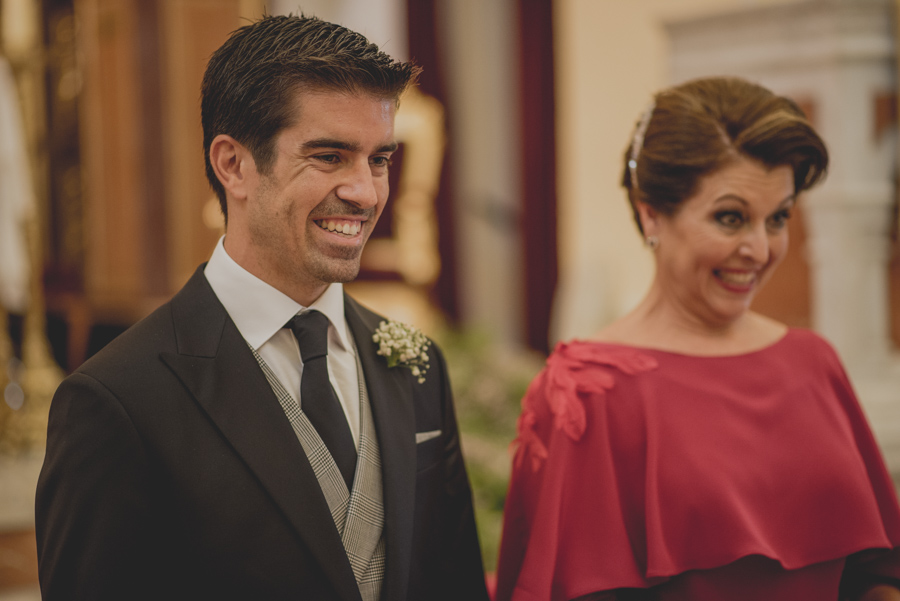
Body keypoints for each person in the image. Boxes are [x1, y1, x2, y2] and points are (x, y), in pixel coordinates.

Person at [35, 14, 489, 601]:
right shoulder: (115, 402)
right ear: (234, 165)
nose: (368, 192)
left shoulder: (416, 364)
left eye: (379, 159)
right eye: (329, 156)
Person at [495, 76, 900, 601]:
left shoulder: (813, 362)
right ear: (651, 214)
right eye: (730, 218)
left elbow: (877, 572)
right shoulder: (585, 393)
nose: (760, 249)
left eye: (777, 218)